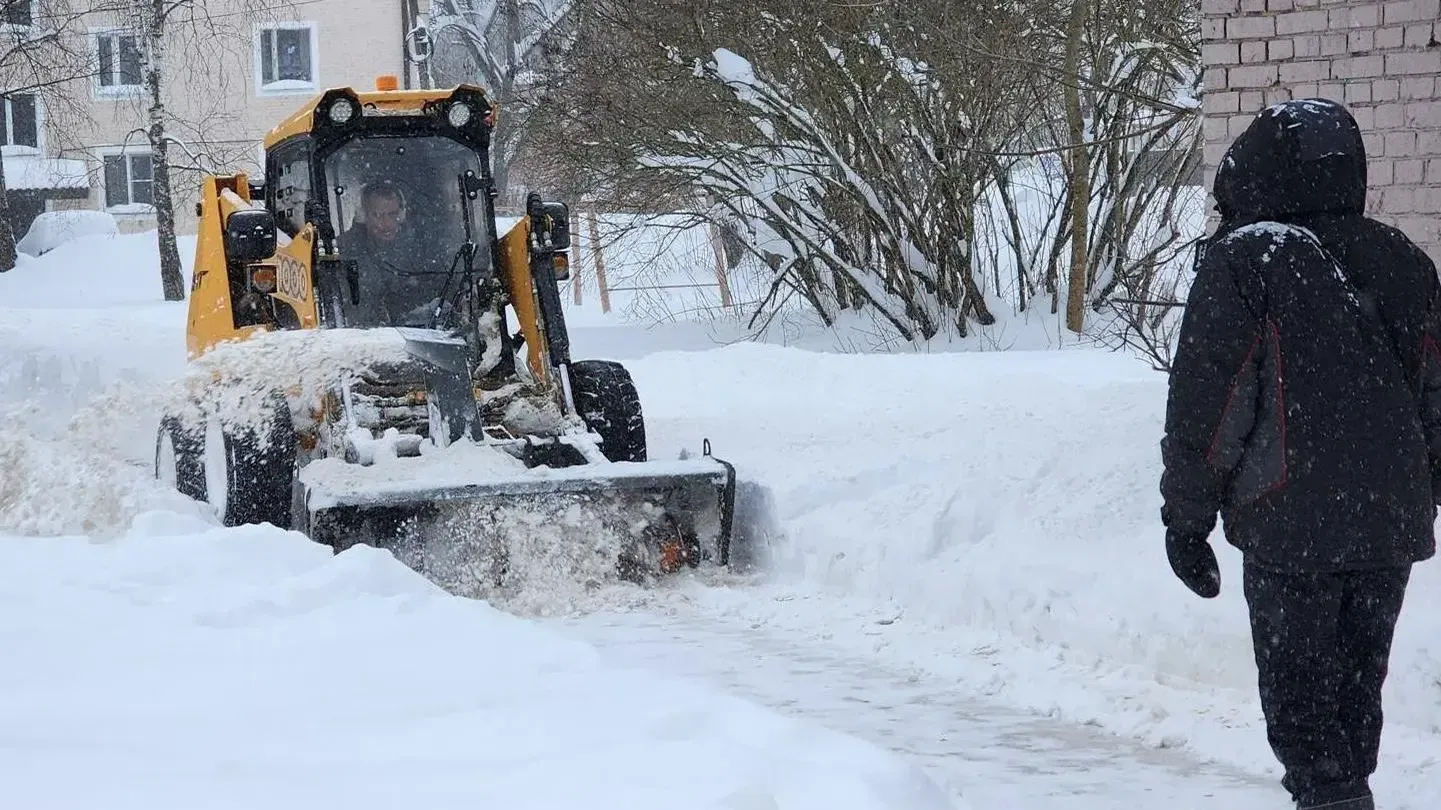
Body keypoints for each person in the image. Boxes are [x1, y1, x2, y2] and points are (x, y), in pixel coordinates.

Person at [1159, 98, 1441, 810]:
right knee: (1352, 698)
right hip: (1386, 525)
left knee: (1301, 708)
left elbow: (1210, 404)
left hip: (1291, 523)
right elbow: (1434, 396)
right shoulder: (1404, 260)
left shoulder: (1247, 260)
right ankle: (1344, 795)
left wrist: (1186, 519)